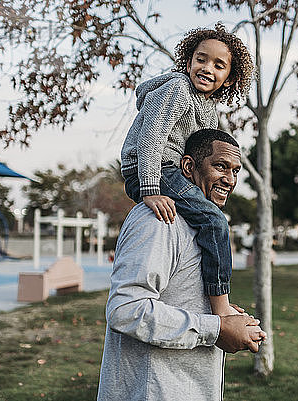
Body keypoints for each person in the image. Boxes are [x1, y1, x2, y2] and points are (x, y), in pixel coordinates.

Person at [98, 129, 266, 401]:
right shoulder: (159, 220)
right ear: (188, 167)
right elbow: (126, 310)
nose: (229, 179)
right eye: (221, 166)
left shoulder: (202, 225)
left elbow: (182, 298)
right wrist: (217, 329)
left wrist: (229, 320)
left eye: (236, 171)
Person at [120, 23, 255, 317]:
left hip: (172, 170)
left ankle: (199, 296)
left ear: (229, 79)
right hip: (149, 169)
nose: (207, 68)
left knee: (205, 213)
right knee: (214, 220)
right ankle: (221, 308)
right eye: (201, 59)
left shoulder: (209, 110)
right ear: (189, 61)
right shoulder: (178, 89)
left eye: (219, 65)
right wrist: (150, 190)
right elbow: (152, 136)